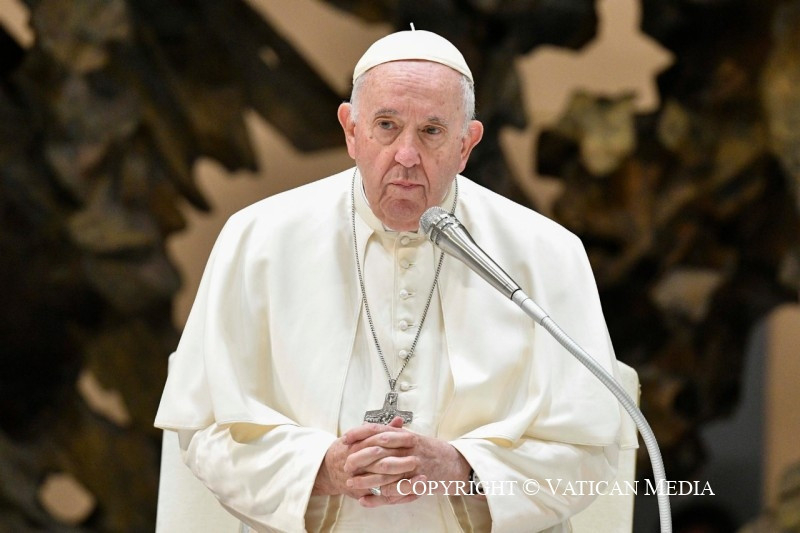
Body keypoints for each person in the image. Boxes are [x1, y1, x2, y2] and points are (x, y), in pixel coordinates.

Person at [155, 28, 636, 532]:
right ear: (351, 130)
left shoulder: (546, 253)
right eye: (386, 125)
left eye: (432, 131)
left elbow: (590, 451)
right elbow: (205, 433)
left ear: (467, 144)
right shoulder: (258, 240)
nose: (407, 154)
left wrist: (464, 469)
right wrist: (321, 469)